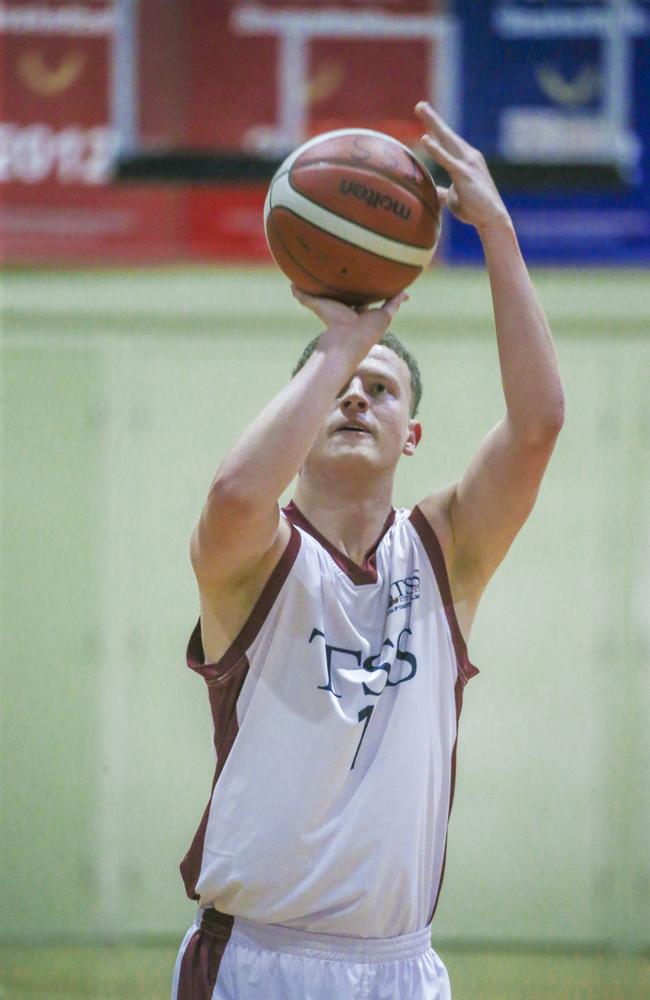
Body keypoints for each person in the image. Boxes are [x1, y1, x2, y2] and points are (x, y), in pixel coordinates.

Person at [171, 102, 565, 1000]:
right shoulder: (254, 561)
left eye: (379, 389)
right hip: (253, 959)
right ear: (302, 420)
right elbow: (236, 493)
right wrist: (351, 335)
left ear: (413, 434)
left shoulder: (444, 552)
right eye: (337, 389)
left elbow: (539, 425)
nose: (354, 398)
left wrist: (496, 229)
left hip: (397, 966)